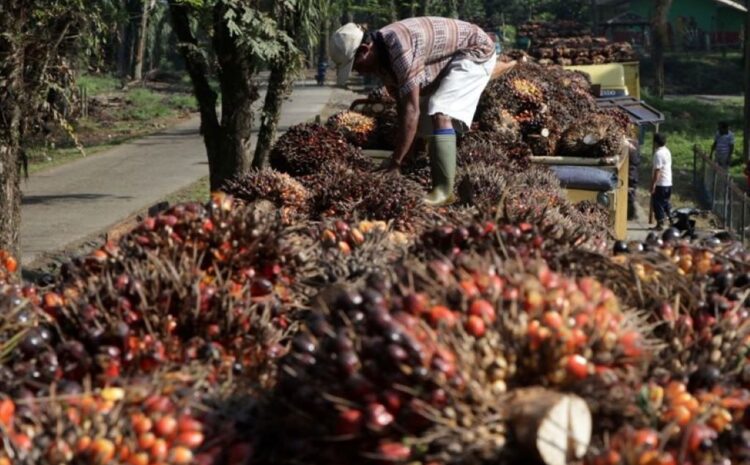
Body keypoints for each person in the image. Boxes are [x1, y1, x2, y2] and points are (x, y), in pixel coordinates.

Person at [330, 17, 516, 206]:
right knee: (424, 118)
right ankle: (416, 165)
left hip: (475, 49)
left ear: (364, 50)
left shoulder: (399, 49)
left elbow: (411, 110)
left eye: (356, 65)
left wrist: (395, 162)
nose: (358, 72)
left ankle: (444, 191)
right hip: (450, 56)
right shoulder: (382, 57)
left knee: (440, 110)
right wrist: (402, 156)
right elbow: (402, 106)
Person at [651, 133, 672, 230]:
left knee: (657, 203)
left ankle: (660, 223)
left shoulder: (658, 154)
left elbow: (657, 170)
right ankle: (671, 219)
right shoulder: (667, 151)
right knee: (665, 202)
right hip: (668, 182)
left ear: (655, 142)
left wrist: (653, 184)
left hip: (661, 182)